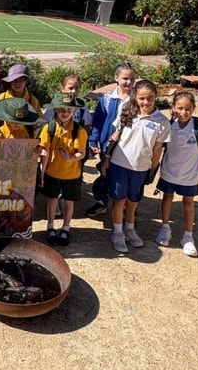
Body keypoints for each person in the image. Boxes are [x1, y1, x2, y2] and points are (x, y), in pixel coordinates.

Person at [101, 79, 171, 253]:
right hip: (119, 164)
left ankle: (130, 229)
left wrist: (153, 171)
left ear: (156, 97)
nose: (146, 102)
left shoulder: (162, 122)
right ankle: (117, 232)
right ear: (135, 97)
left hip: (141, 168)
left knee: (133, 201)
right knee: (119, 200)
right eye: (142, 98)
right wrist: (107, 157)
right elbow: (116, 135)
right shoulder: (126, 110)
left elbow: (157, 149)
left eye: (150, 98)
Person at [155, 91, 198, 257]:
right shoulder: (169, 126)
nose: (184, 112)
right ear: (173, 108)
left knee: (188, 204)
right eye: (180, 108)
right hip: (169, 171)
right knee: (167, 197)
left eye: (188, 109)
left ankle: (188, 236)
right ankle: (165, 228)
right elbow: (158, 146)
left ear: (193, 109)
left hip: (189, 175)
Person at [86, 63, 136, 217]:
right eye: (125, 78)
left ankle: (128, 209)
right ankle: (102, 201)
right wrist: (93, 141)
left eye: (132, 78)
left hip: (129, 146)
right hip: (107, 144)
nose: (128, 82)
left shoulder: (137, 100)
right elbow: (98, 122)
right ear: (116, 78)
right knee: (105, 172)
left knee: (126, 176)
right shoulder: (107, 99)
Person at [39, 93, 88, 246]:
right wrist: (42, 171)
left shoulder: (79, 131)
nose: (65, 113)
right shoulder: (49, 128)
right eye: (61, 110)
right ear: (55, 111)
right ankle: (51, 226)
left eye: (69, 110)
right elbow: (45, 150)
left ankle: (66, 227)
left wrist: (70, 158)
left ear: (74, 111)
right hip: (52, 171)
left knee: (69, 201)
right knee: (52, 199)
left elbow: (82, 153)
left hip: (72, 174)